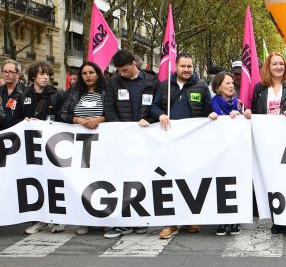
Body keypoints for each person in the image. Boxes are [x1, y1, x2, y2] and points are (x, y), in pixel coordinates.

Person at [150, 52, 217, 239]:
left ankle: (189, 218)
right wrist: (160, 115)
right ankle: (170, 223)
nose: (187, 70)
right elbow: (154, 107)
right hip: (170, 142)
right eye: (183, 66)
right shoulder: (165, 86)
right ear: (176, 66)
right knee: (170, 180)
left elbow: (208, 109)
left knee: (190, 180)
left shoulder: (201, 86)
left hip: (192, 143)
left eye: (189, 66)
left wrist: (211, 115)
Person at [244, 52, 286, 235]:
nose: (278, 67)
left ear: (285, 67)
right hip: (267, 142)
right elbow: (254, 111)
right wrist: (248, 114)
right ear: (268, 67)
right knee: (271, 180)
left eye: (281, 64)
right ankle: (277, 218)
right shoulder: (259, 88)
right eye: (274, 64)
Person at [103, 49, 159, 239]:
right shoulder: (113, 82)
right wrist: (120, 129)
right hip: (122, 139)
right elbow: (109, 107)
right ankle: (120, 220)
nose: (122, 74)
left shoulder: (152, 82)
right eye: (119, 70)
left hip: (146, 138)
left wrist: (150, 121)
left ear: (134, 64)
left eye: (125, 70)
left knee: (141, 178)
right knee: (121, 179)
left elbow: (158, 105)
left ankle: (138, 218)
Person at [58, 61, 107, 235]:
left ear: (98, 74)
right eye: (84, 73)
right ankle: (84, 219)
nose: (88, 76)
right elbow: (62, 113)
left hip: (103, 145)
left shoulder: (106, 92)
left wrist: (99, 120)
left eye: (91, 72)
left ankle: (102, 218)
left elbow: (114, 112)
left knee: (101, 180)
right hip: (80, 145)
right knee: (83, 182)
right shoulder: (73, 92)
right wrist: (78, 120)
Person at [17, 61, 64, 234]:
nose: (45, 77)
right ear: (33, 76)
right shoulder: (24, 95)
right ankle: (39, 219)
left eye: (47, 75)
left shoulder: (56, 94)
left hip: (53, 145)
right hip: (32, 146)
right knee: (35, 181)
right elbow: (16, 119)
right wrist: (24, 122)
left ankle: (58, 219)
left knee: (55, 181)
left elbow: (63, 117)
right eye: (41, 74)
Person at [211, 71, 244, 236]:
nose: (232, 86)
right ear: (218, 87)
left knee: (235, 183)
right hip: (219, 150)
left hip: (236, 150)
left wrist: (241, 114)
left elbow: (243, 120)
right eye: (227, 83)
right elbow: (217, 117)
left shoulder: (238, 103)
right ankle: (222, 220)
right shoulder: (214, 102)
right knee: (220, 184)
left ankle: (235, 219)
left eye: (232, 83)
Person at [0, 59, 25, 129]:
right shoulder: (0, 90)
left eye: (11, 71)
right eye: (5, 71)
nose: (7, 74)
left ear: (18, 74)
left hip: (18, 135)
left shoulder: (27, 92)